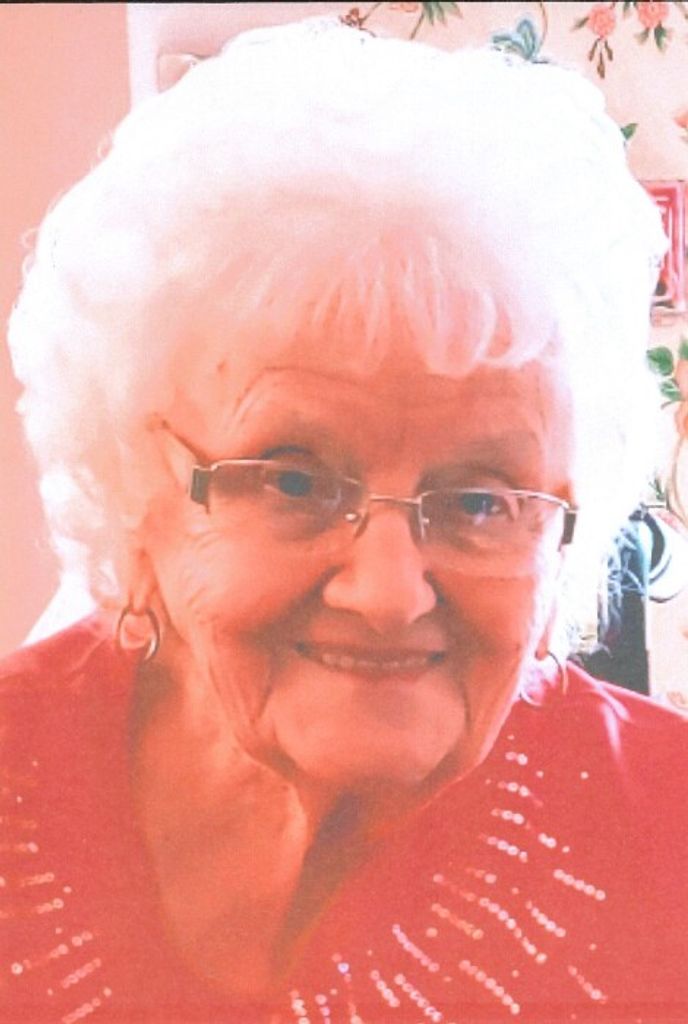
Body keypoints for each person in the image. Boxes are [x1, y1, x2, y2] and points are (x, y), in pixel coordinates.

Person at [3, 15, 687, 1024]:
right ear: (136, 492)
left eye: (479, 501)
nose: (387, 593)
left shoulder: (665, 836)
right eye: (293, 481)